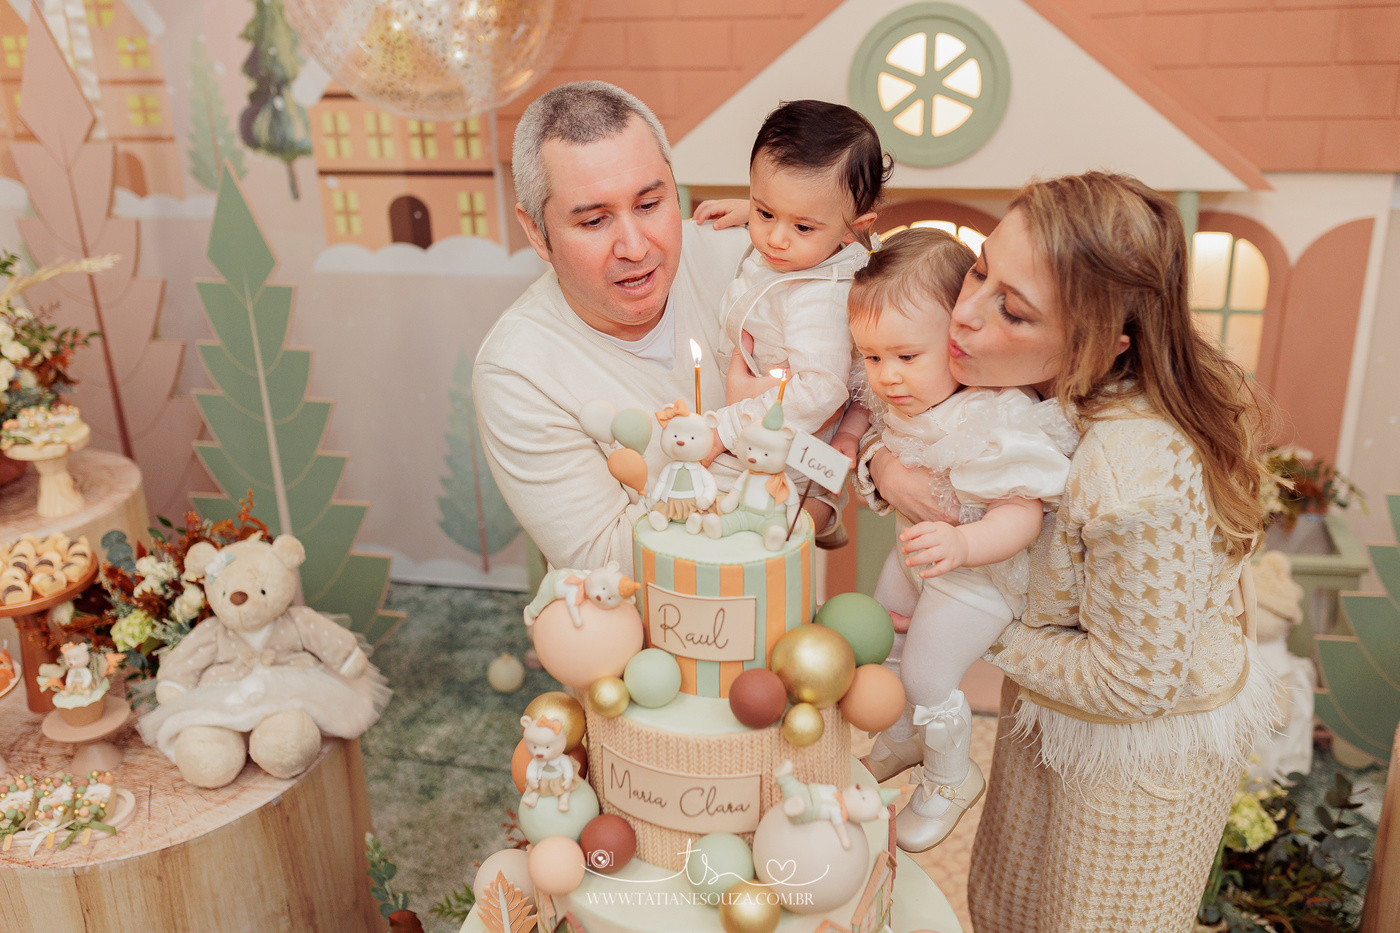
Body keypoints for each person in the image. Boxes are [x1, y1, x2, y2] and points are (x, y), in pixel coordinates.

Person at [863, 172, 1277, 933]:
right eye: (980, 269)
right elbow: (907, 429)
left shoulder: (1131, 476)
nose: (964, 313)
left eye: (1013, 309)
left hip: (1135, 763)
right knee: (1005, 907)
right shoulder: (1016, 379)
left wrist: (962, 628)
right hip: (1046, 708)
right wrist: (888, 470)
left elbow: (1132, 682)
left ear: (1099, 343)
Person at [847, 229, 1075, 852]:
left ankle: (951, 777)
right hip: (922, 554)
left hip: (980, 575)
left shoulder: (993, 417)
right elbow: (876, 443)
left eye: (906, 356)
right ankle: (905, 737)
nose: (888, 376)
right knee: (883, 639)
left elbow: (1023, 516)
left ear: (955, 336)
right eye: (872, 357)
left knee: (928, 673)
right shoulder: (909, 394)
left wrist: (966, 546)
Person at [473, 81, 747, 571]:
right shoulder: (517, 372)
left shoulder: (744, 262)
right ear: (536, 231)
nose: (636, 248)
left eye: (649, 205)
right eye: (595, 222)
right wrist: (772, 464)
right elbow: (606, 559)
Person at [693, 100, 890, 546]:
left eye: (802, 227)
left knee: (712, 506)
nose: (775, 239)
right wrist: (753, 213)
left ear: (853, 228)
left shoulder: (818, 297)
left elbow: (820, 390)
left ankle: (817, 512)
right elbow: (789, 214)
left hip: (783, 448)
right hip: (759, 416)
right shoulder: (802, 250)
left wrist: (726, 428)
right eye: (766, 213)